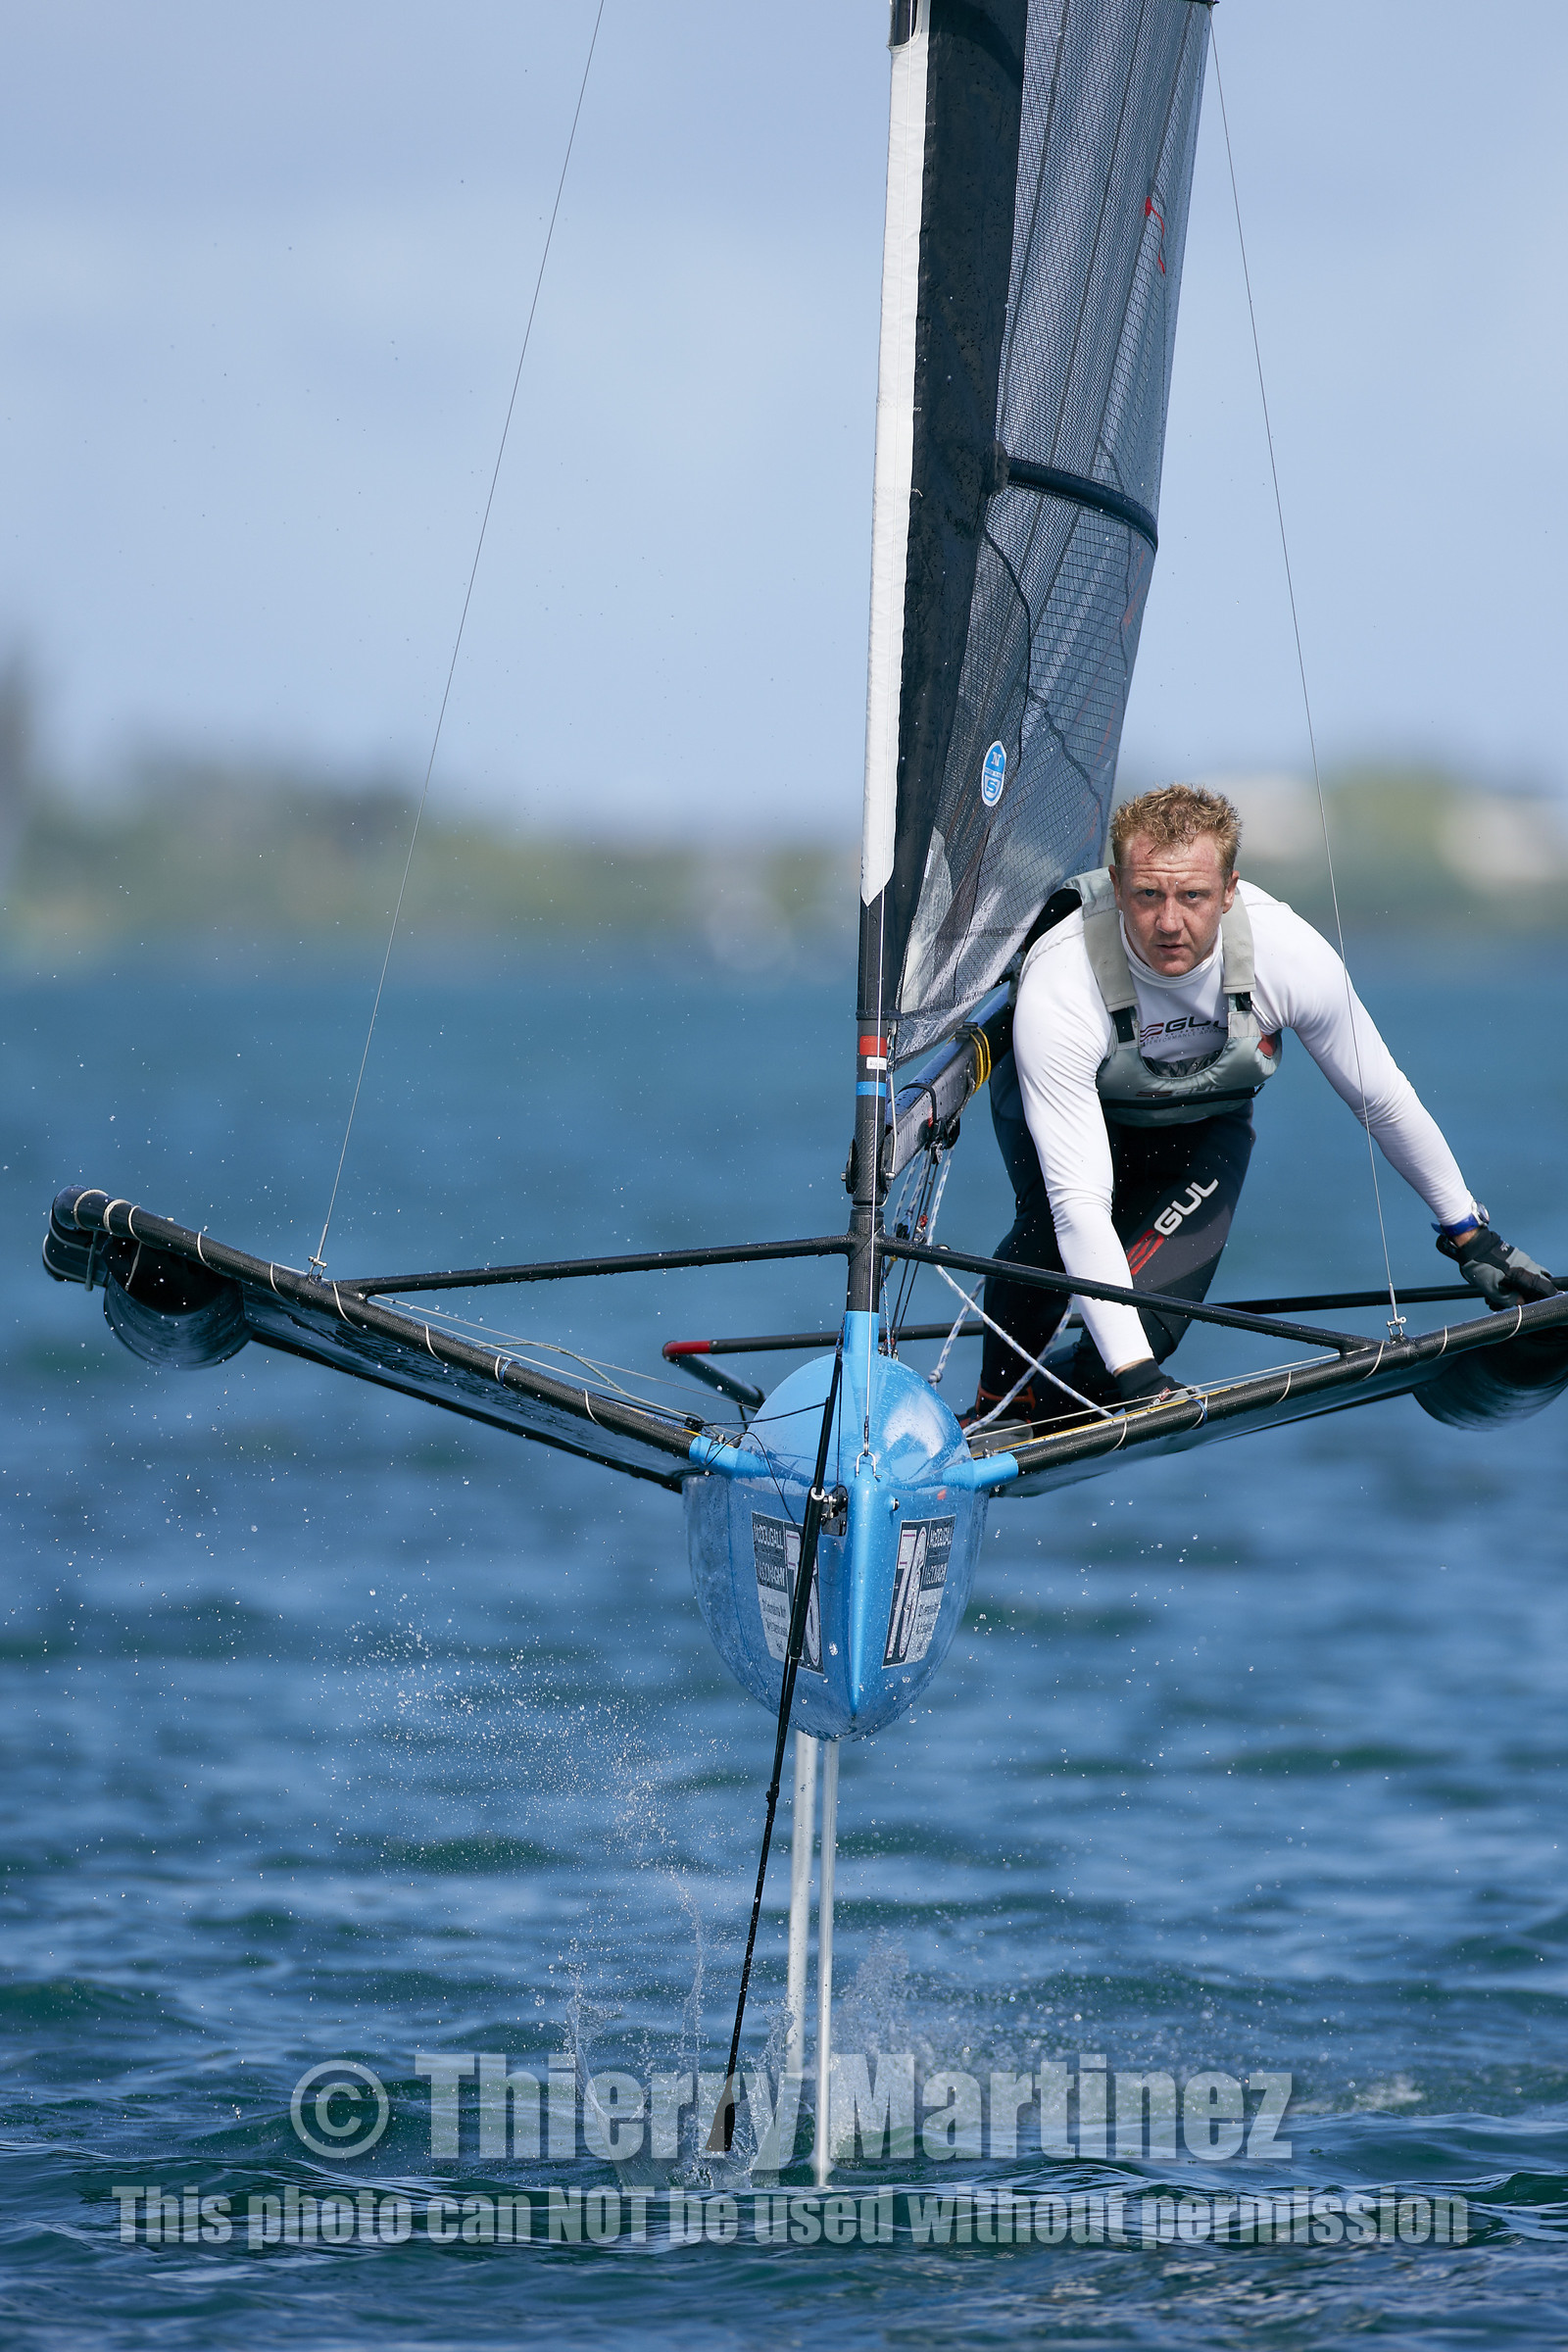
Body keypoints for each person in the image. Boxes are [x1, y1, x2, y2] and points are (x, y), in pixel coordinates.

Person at [967, 782, 1555, 1423]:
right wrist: (1141, 1380)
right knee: (1054, 1241)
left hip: (1200, 1133)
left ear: (1229, 891)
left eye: (1193, 896)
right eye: (1147, 895)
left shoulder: (1288, 955)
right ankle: (994, 1406)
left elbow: (1382, 1101)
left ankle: (1066, 1393)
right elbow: (1078, 1203)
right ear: (1116, 884)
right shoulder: (1063, 981)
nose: (1170, 922)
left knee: (1116, 1368)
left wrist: (1471, 1237)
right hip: (1072, 1124)